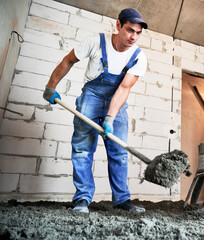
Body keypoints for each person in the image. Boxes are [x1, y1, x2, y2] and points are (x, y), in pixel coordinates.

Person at [43, 8, 148, 213]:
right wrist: (51, 87)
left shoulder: (138, 57)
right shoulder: (95, 42)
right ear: (118, 25)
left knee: (119, 152)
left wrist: (110, 117)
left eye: (138, 32)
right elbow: (68, 61)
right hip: (90, 97)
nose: (133, 37)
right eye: (129, 30)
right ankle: (82, 199)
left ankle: (121, 200)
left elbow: (124, 88)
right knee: (83, 149)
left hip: (117, 101)